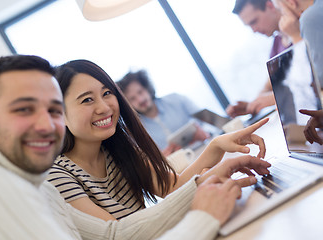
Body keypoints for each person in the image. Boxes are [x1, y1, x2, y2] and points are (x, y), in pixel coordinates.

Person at [0, 54, 271, 239]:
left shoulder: (41, 179)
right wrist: (203, 212)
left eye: (51, 110)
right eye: (23, 110)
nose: (45, 124)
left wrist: (215, 156)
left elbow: (118, 233)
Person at [47, 59, 269, 222]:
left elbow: (172, 187)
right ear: (59, 114)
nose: (104, 107)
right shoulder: (57, 176)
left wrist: (217, 145)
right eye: (87, 99)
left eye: (107, 93)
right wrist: (218, 173)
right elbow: (120, 235)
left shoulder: (117, 149)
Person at [226, 0, 296, 118]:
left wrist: (274, 98)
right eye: (249, 26)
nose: (254, 30)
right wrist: (252, 105)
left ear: (270, 6)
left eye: (254, 22)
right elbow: (269, 85)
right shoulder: (277, 44)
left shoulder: (301, 31)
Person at [116, 69, 210, 155]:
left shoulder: (176, 99)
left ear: (147, 88)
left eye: (140, 92)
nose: (140, 100)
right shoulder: (134, 130)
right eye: (132, 99)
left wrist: (203, 132)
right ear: (128, 105)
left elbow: (211, 122)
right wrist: (160, 159)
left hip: (204, 151)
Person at [272, 0, 323, 87]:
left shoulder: (309, 18)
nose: (282, 17)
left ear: (292, 3)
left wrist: (296, 37)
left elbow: (318, 83)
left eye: (280, 10)